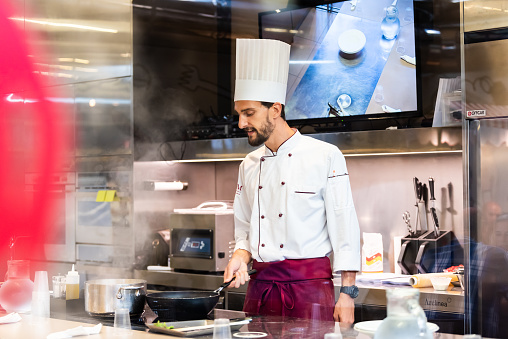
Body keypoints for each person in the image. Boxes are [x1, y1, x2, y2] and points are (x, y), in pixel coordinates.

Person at [223, 38, 361, 323]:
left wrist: (347, 293)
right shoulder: (248, 164)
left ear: (275, 110)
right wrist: (241, 256)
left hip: (309, 291)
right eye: (239, 114)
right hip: (260, 290)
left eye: (249, 113)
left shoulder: (325, 155)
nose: (241, 124)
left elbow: (344, 227)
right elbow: (245, 229)